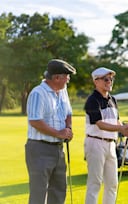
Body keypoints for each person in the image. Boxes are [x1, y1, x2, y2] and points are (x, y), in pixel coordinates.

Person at [25, 59, 76, 204]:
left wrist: (68, 129)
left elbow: (68, 113)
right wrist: (59, 133)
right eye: (67, 77)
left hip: (58, 149)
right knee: (38, 193)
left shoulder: (62, 91)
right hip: (39, 149)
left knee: (59, 190)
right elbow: (35, 121)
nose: (68, 80)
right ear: (57, 78)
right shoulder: (38, 93)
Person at [84, 67, 128, 204]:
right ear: (96, 81)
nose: (109, 82)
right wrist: (121, 128)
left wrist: (126, 127)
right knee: (95, 183)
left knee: (112, 183)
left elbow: (116, 121)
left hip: (111, 144)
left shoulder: (113, 99)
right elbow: (100, 124)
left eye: (111, 79)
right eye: (106, 79)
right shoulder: (92, 100)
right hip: (95, 143)